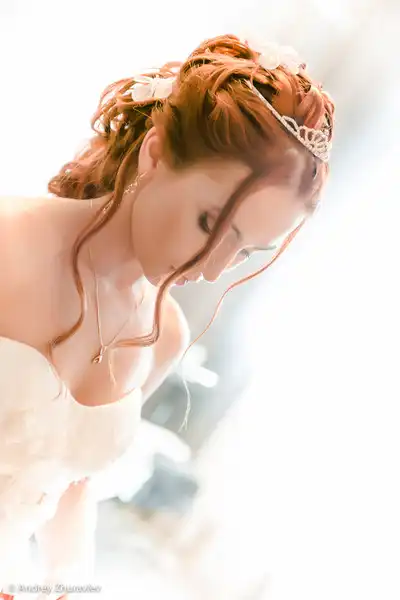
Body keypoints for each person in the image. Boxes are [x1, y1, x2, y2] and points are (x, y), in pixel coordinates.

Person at [0, 33, 334, 592]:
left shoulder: (164, 336)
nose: (212, 268)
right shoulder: (8, 243)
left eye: (245, 252)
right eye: (210, 224)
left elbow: (69, 484)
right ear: (155, 154)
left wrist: (64, 585)